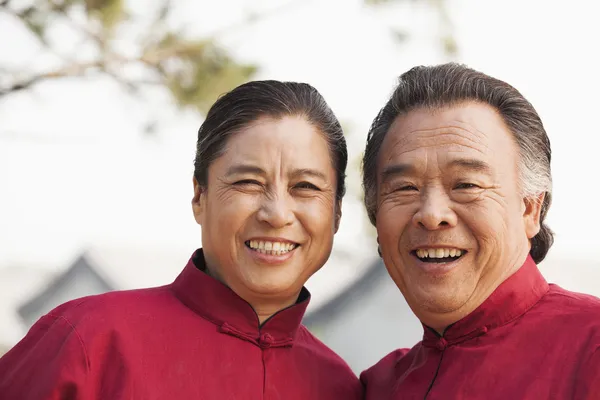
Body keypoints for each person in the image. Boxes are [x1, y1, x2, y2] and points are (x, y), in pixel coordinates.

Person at [0, 80, 362, 399]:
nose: (277, 213)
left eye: (306, 187)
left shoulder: (339, 386)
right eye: (248, 182)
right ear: (199, 197)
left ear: (337, 213)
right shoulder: (89, 339)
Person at [359, 63, 600, 399]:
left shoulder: (590, 347)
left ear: (530, 208)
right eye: (405, 187)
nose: (431, 215)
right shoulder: (378, 387)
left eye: (466, 184)